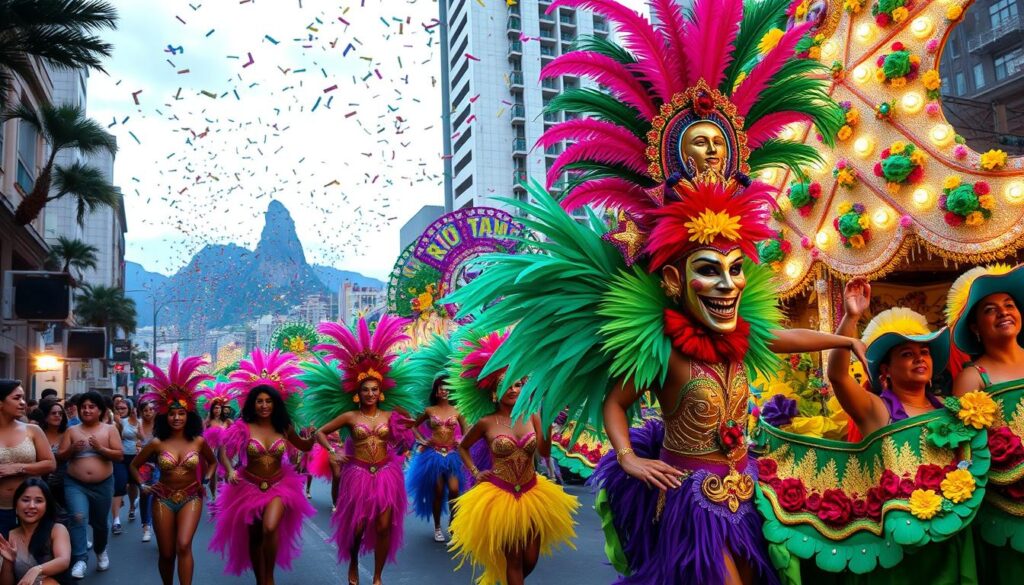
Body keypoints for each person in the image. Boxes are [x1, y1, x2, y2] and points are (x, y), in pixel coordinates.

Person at [441, 1, 860, 582]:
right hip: (690, 501)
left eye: (737, 270)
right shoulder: (667, 348)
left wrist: (847, 332)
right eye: (709, 271)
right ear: (673, 281)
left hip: (743, 495)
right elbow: (616, 401)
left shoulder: (738, 338)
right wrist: (630, 457)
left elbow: (782, 336)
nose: (729, 285)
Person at [448, 331, 579, 585]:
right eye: (505, 384)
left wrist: (549, 423)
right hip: (500, 496)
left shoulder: (532, 415)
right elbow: (463, 447)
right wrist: (476, 472)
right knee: (514, 560)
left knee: (530, 559)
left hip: (532, 493)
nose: (513, 389)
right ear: (494, 391)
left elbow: (544, 452)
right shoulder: (486, 423)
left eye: (518, 384)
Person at [302, 316, 422, 585]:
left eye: (374, 389)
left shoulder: (390, 415)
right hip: (356, 474)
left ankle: (378, 576)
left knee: (383, 528)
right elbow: (320, 432)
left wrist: (407, 436)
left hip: (386, 473)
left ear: (381, 392)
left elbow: (404, 439)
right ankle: (353, 562)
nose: (370, 393)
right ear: (358, 393)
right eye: (365, 389)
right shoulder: (349, 416)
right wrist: (331, 453)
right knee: (356, 529)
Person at [946, 263, 1024, 582]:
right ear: (976, 327)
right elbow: (964, 449)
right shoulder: (972, 377)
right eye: (990, 309)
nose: (1003, 312)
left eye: (1009, 305)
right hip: (1005, 507)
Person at [210, 349, 315, 585]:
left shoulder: (284, 427)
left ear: (275, 404)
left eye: (268, 401)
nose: (264, 405)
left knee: (269, 528)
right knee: (255, 537)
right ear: (253, 404)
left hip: (279, 485)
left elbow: (304, 445)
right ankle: (260, 579)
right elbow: (224, 452)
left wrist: (315, 435)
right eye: (260, 401)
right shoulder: (242, 427)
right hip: (247, 486)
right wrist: (230, 470)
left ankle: (269, 578)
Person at [132, 354, 217, 585]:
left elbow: (212, 463)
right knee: (167, 553)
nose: (177, 417)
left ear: (188, 415)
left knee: (184, 545)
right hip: (162, 499)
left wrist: (207, 480)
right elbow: (134, 465)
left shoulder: (198, 442)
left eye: (181, 413)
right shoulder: (157, 443)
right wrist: (143, 485)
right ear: (165, 416)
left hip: (191, 497)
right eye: (172, 413)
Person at [827, 279, 948, 438]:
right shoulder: (875, 410)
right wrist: (851, 317)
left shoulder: (947, 406)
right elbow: (837, 376)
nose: (919, 358)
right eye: (907, 354)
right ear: (886, 370)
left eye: (924, 352)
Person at [56, 391, 122, 579]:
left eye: (91, 406)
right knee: (77, 517)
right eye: (83, 407)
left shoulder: (109, 429)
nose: (86, 410)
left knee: (100, 524)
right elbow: (59, 457)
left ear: (100, 410)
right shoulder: (72, 431)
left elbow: (119, 455)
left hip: (103, 484)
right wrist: (71, 450)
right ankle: (80, 560)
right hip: (75, 484)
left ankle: (101, 551)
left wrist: (100, 449)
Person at [407, 375, 468, 542]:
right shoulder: (429, 411)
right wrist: (421, 439)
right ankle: (437, 527)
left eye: (447, 387)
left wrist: (461, 440)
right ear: (436, 391)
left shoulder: (458, 411)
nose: (444, 390)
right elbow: (413, 424)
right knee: (438, 492)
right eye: (441, 387)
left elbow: (467, 432)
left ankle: (453, 522)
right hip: (433, 455)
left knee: (455, 490)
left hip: (453, 455)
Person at [0, 381, 56, 538]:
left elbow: (50, 464)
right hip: (1, 509)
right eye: (17, 398)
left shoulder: (32, 430)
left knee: (31, 557)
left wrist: (18, 468)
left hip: (31, 509)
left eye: (23, 398)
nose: (23, 403)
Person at [0, 479, 71, 585]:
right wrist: (8, 561)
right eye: (25, 500)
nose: (31, 506)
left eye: (38, 501)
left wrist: (37, 570)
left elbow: (63, 560)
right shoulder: (10, 535)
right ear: (16, 504)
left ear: (47, 506)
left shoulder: (57, 529)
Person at [195, 384, 237, 501]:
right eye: (215, 408)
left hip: (225, 450)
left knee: (223, 475)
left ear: (222, 409)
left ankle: (223, 496)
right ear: (211, 409)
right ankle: (214, 496)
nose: (217, 410)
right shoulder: (208, 422)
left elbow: (236, 433)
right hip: (211, 451)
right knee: (213, 476)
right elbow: (201, 437)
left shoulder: (228, 421)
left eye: (219, 408)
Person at [30, 399, 68, 521]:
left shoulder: (68, 433)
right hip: (40, 480)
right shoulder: (36, 433)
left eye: (60, 413)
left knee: (63, 517)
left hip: (64, 482)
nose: (57, 416)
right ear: (45, 416)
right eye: (53, 413)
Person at [111, 397, 140, 536]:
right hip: (119, 457)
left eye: (123, 408)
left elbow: (142, 437)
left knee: (133, 485)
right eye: (118, 408)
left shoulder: (136, 422)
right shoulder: (112, 423)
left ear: (129, 409)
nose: (120, 411)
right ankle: (116, 520)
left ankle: (132, 506)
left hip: (134, 457)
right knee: (119, 485)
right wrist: (117, 423)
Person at [136, 399, 157, 543]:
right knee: (145, 494)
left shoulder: (161, 426)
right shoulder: (138, 426)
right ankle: (146, 527)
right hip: (143, 465)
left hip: (160, 464)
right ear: (141, 412)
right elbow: (137, 446)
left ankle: (159, 526)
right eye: (145, 410)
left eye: (151, 409)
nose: (148, 412)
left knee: (158, 495)